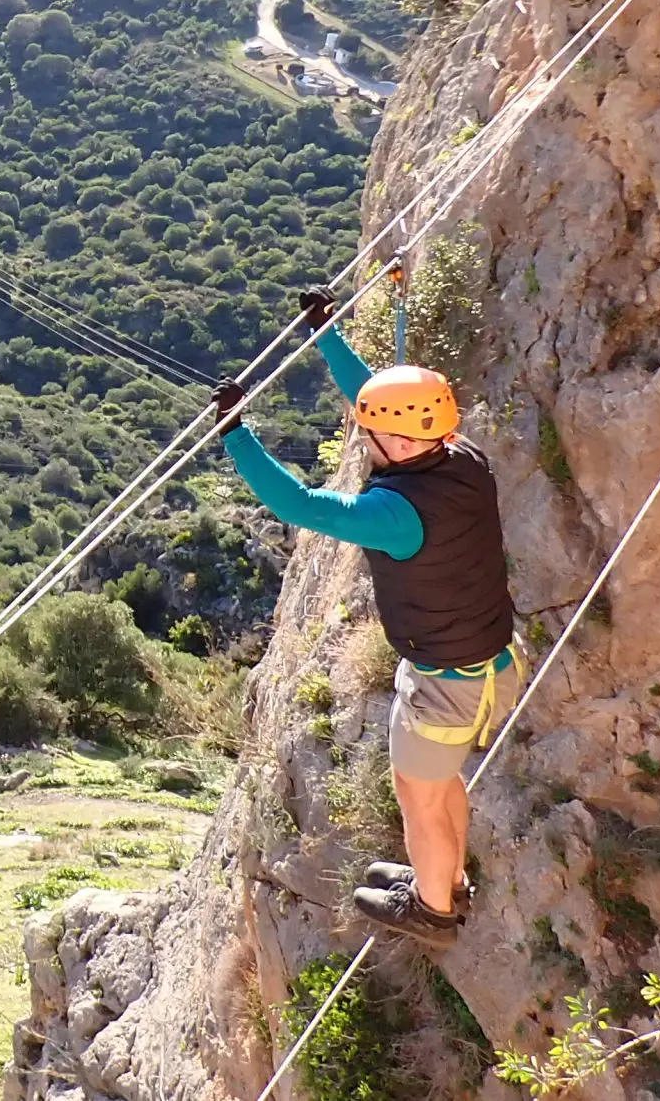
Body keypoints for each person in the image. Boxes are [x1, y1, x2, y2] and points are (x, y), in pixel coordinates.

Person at [209, 290, 522, 950]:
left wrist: (234, 434)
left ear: (393, 436)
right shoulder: (460, 456)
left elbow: (296, 502)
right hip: (486, 662)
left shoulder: (394, 514)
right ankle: (448, 880)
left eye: (368, 425)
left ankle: (434, 910)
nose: (361, 426)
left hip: (448, 683)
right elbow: (381, 401)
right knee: (439, 788)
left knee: (418, 795)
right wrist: (327, 334)